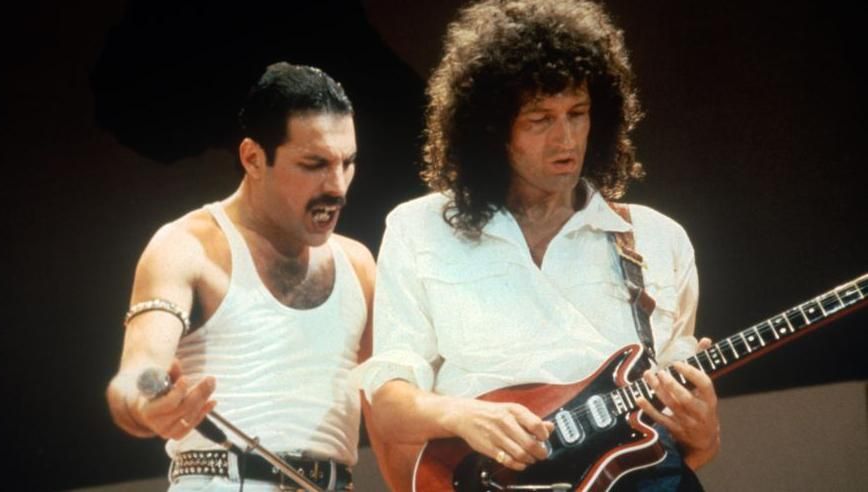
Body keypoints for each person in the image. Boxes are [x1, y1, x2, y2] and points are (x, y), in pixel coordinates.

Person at [360, 1, 720, 490]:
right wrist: (464, 416)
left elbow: (681, 441)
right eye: (539, 119)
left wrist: (704, 431)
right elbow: (389, 409)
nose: (565, 138)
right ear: (490, 128)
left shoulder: (661, 240)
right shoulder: (418, 228)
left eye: (578, 113)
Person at [106, 62, 375, 491]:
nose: (338, 186)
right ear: (252, 157)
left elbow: (391, 404)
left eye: (347, 162)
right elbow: (137, 372)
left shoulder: (358, 265)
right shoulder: (187, 246)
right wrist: (147, 399)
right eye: (314, 164)